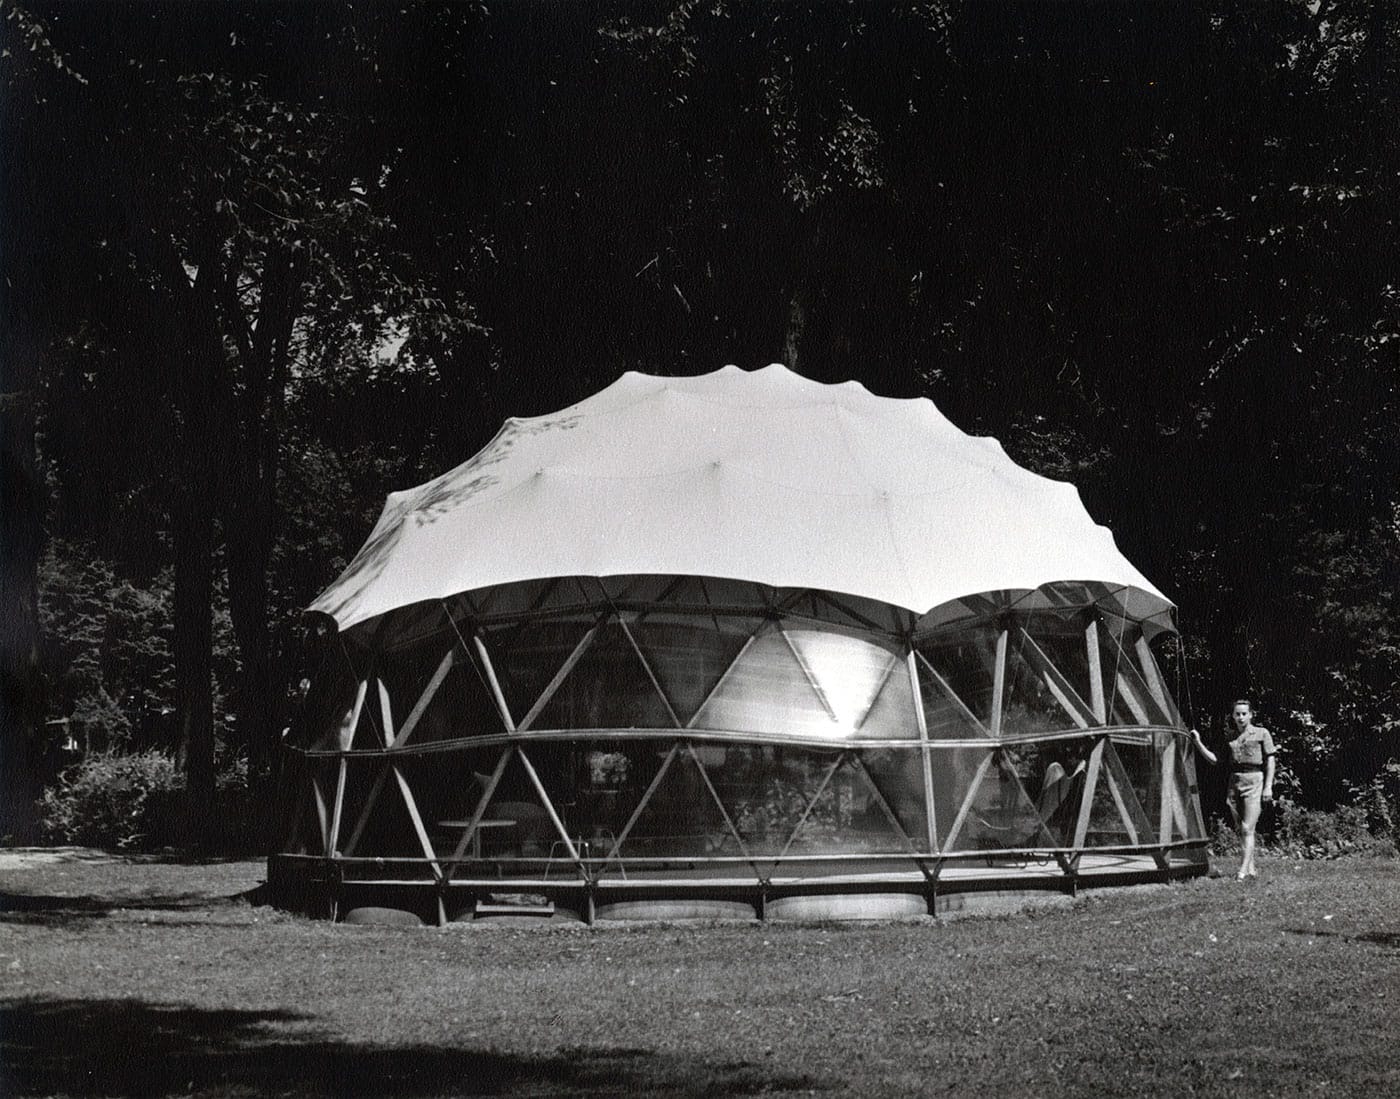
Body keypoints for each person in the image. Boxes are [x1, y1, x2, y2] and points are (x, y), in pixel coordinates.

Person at [1190, 699, 1276, 880]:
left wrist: (1268, 786)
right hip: (1235, 782)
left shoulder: (1261, 733)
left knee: (1247, 828)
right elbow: (1215, 760)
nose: (1241, 717)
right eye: (1237, 714)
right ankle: (1251, 870)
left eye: (1244, 713)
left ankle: (1242, 872)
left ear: (1251, 715)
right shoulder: (1229, 737)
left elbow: (1270, 760)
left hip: (1255, 780)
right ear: (1233, 716)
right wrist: (1198, 743)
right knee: (1241, 829)